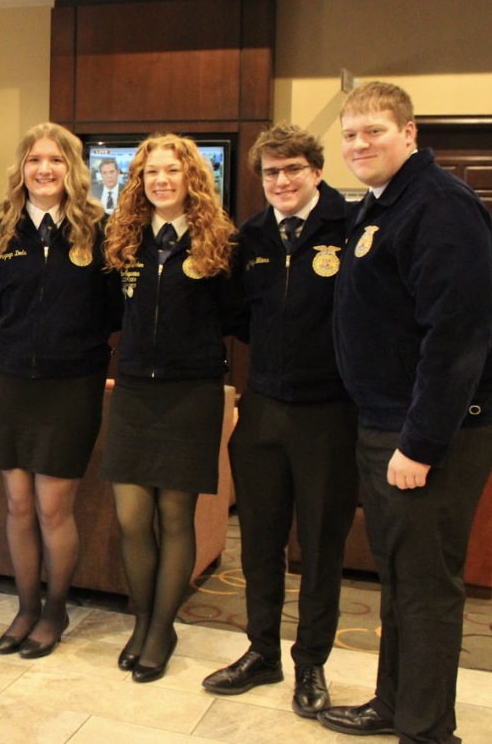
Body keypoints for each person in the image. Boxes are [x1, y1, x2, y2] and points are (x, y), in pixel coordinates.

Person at [318, 82, 492, 743]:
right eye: (349, 134)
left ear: (410, 131)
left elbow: (457, 337)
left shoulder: (439, 206)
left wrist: (422, 443)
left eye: (373, 130)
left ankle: (426, 731)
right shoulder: (381, 205)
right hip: (387, 419)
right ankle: (393, 703)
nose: (358, 145)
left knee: (426, 584)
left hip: (430, 430)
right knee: (400, 574)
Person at [201, 124, 358, 716]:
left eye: (292, 169)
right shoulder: (251, 237)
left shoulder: (351, 227)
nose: (282, 181)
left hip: (331, 414)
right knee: (259, 542)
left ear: (316, 171)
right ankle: (261, 651)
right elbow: (238, 315)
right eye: (270, 172)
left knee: (319, 547)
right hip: (263, 408)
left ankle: (311, 663)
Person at [0, 123, 119, 658]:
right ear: (22, 168)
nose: (44, 169)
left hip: (70, 387)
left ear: (72, 169)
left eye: (56, 160)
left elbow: (114, 313)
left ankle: (56, 611)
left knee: (54, 507)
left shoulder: (100, 232)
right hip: (8, 383)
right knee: (17, 506)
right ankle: (26, 606)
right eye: (35, 160)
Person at [100, 133, 238, 683]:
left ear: (192, 179)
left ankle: (161, 629)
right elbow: (112, 312)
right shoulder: (125, 240)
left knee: (176, 517)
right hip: (134, 390)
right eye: (151, 172)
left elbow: (235, 320)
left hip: (191, 393)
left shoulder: (219, 242)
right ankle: (143, 619)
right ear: (140, 180)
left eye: (172, 171)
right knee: (132, 516)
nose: (161, 180)